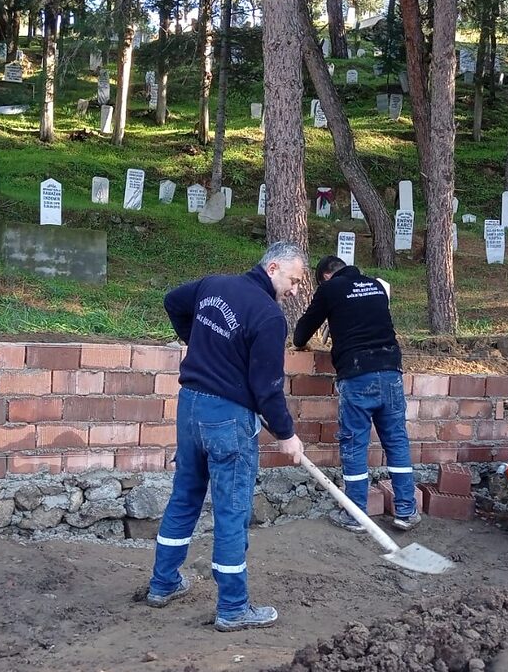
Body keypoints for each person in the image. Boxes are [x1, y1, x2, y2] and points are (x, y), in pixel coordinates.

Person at [144, 242, 308, 632]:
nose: (296, 290)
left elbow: (172, 301)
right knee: (232, 510)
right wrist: (287, 434)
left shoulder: (213, 285)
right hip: (227, 420)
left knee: (185, 495)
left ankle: (163, 583)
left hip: (191, 407)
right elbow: (266, 387)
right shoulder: (269, 316)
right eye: (295, 280)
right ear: (273, 267)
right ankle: (233, 607)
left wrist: (199, 345)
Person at [291, 256, 420, 534]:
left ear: (325, 276)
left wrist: (301, 342)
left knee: (355, 445)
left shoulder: (330, 289)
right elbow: (365, 318)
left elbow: (303, 331)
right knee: (396, 440)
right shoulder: (374, 286)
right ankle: (406, 512)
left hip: (358, 373)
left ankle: (357, 515)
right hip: (390, 370)